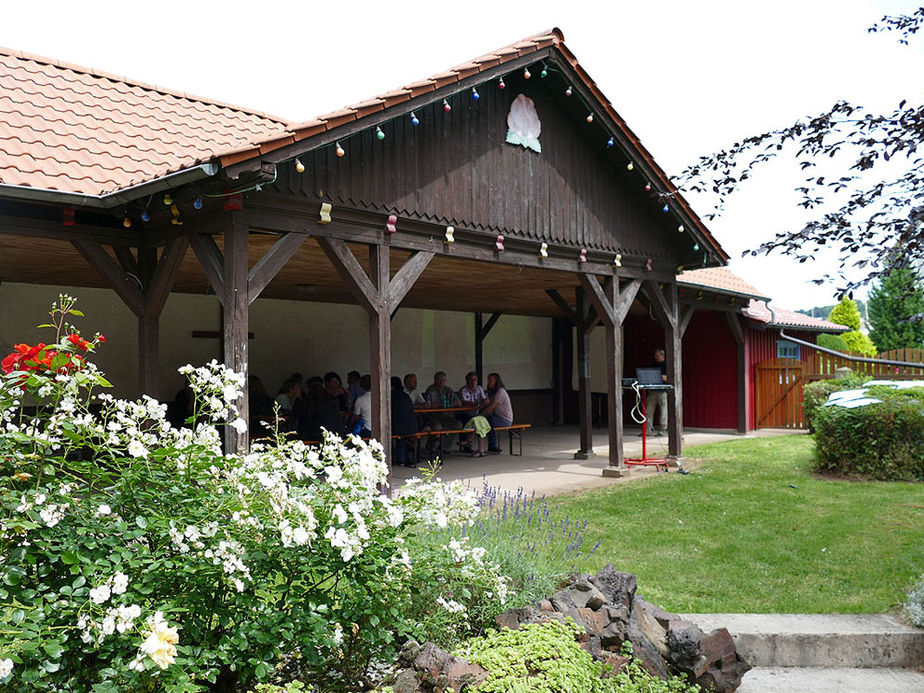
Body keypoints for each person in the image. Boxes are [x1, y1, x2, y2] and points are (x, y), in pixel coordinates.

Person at [423, 371, 461, 455]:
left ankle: (444, 447)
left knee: (458, 424)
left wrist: (452, 403)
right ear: (435, 380)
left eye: (443, 380)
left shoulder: (448, 390)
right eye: (439, 380)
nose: (441, 382)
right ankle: (431, 446)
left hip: (446, 416)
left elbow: (458, 402)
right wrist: (444, 404)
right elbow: (429, 405)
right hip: (433, 416)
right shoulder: (430, 390)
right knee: (437, 426)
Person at [481, 372, 513, 454]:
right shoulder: (492, 392)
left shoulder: (500, 392)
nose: (488, 382)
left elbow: (491, 407)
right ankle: (491, 445)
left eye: (491, 380)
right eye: (488, 380)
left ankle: (493, 445)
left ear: (496, 381)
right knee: (484, 421)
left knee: (485, 422)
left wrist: (481, 414)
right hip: (497, 416)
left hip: (504, 419)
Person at [457, 371, 487, 452]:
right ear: (467, 381)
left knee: (483, 420)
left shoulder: (479, 388)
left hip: (476, 413)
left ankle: (469, 442)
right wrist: (477, 403)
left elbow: (485, 400)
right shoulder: (463, 390)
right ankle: (468, 445)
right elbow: (465, 402)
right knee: (472, 421)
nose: (473, 382)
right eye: (471, 380)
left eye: (475, 380)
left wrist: (482, 403)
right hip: (465, 413)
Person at [391, 376, 418, 467]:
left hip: (398, 427)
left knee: (398, 434)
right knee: (406, 436)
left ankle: (400, 459)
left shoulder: (390, 397)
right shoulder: (405, 396)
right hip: (412, 427)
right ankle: (410, 460)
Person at [646, 348, 669, 434]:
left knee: (663, 411)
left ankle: (663, 429)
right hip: (652, 390)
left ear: (662, 355)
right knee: (649, 410)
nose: (656, 357)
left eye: (657, 355)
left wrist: (658, 376)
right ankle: (648, 429)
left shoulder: (667, 364)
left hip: (662, 391)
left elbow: (668, 378)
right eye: (655, 355)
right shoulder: (654, 364)